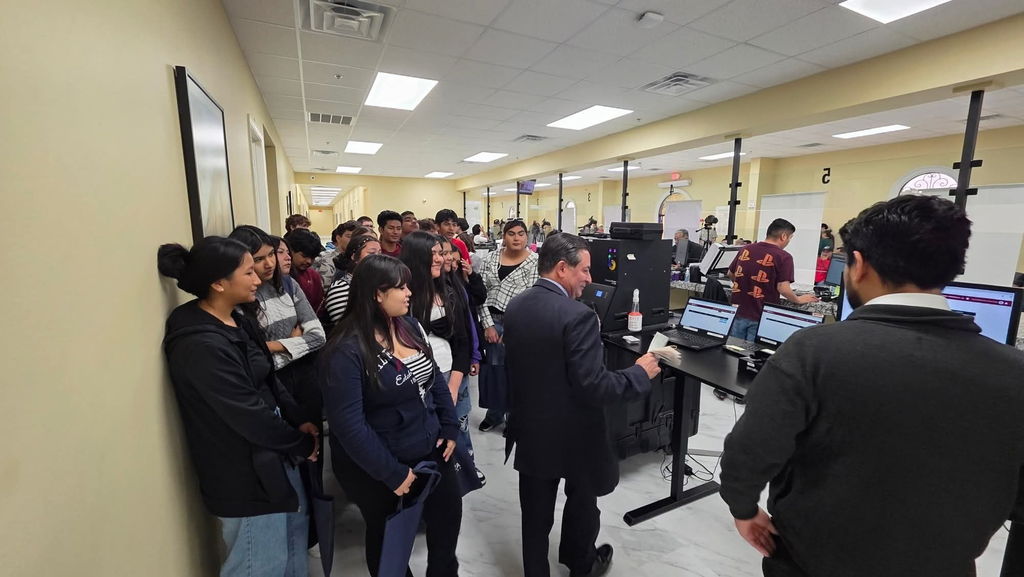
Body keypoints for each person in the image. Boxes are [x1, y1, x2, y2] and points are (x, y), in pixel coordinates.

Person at [719, 195, 1024, 577]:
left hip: (812, 559)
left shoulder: (814, 351)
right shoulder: (1015, 372)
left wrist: (743, 507)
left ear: (859, 265)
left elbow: (751, 450)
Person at [159, 237, 319, 577]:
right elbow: (247, 414)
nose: (258, 279)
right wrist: (300, 444)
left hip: (276, 453)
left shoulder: (239, 318)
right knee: (260, 562)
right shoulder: (199, 344)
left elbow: (268, 377)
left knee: (292, 542)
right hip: (243, 472)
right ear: (218, 283)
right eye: (248, 272)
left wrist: (298, 419)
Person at [503, 233, 661, 577]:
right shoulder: (579, 317)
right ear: (562, 268)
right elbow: (594, 385)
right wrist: (638, 373)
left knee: (534, 515)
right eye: (585, 271)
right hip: (575, 433)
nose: (589, 280)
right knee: (583, 502)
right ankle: (581, 562)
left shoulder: (516, 305)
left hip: (530, 427)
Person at [321, 254, 462, 577]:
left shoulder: (409, 326)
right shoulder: (346, 350)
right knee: (389, 543)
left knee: (447, 521)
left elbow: (434, 379)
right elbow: (349, 426)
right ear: (377, 294)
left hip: (431, 449)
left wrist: (450, 426)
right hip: (382, 464)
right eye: (401, 287)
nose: (409, 293)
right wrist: (393, 473)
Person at [476, 220, 538, 433]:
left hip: (520, 324)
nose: (517, 238)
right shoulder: (492, 258)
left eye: (521, 233)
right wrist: (488, 324)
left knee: (516, 371)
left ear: (527, 236)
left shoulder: (535, 262)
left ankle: (515, 417)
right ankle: (494, 414)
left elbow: (533, 299)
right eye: (511, 233)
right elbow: (479, 294)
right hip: (492, 321)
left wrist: (514, 328)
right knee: (494, 370)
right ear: (504, 235)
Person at [726, 218, 817, 341]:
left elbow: (731, 274)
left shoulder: (745, 249)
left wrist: (745, 284)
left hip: (737, 312)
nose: (789, 241)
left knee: (732, 351)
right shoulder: (784, 257)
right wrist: (798, 299)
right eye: (790, 238)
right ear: (783, 236)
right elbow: (783, 288)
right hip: (761, 315)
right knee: (752, 355)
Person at [323, 234, 381, 326]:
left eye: (380, 253)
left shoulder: (379, 283)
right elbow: (345, 329)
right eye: (371, 253)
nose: (378, 258)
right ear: (354, 256)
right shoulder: (341, 288)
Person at [283, 228, 326, 314]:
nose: (309, 261)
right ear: (290, 251)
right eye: (304, 256)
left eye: (313, 257)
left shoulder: (314, 276)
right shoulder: (281, 275)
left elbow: (318, 306)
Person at [315, 220, 357, 289]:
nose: (353, 240)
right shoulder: (324, 257)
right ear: (338, 238)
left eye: (356, 237)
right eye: (349, 236)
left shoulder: (359, 259)